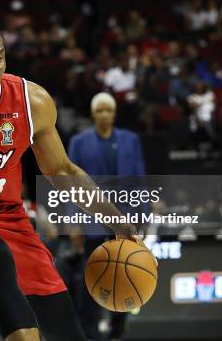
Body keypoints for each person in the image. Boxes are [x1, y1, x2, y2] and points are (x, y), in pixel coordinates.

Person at [0, 17, 141, 341]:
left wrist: (117, 222)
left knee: (66, 328)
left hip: (10, 221)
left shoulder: (30, 101)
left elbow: (62, 171)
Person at [68, 92, 146, 341]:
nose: (104, 114)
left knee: (126, 276)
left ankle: (117, 334)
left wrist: (141, 217)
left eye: (108, 110)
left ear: (114, 113)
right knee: (91, 281)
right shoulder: (79, 142)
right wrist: (73, 222)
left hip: (124, 221)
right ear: (93, 114)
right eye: (99, 110)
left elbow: (139, 181)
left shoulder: (130, 140)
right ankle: (89, 335)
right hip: (92, 222)